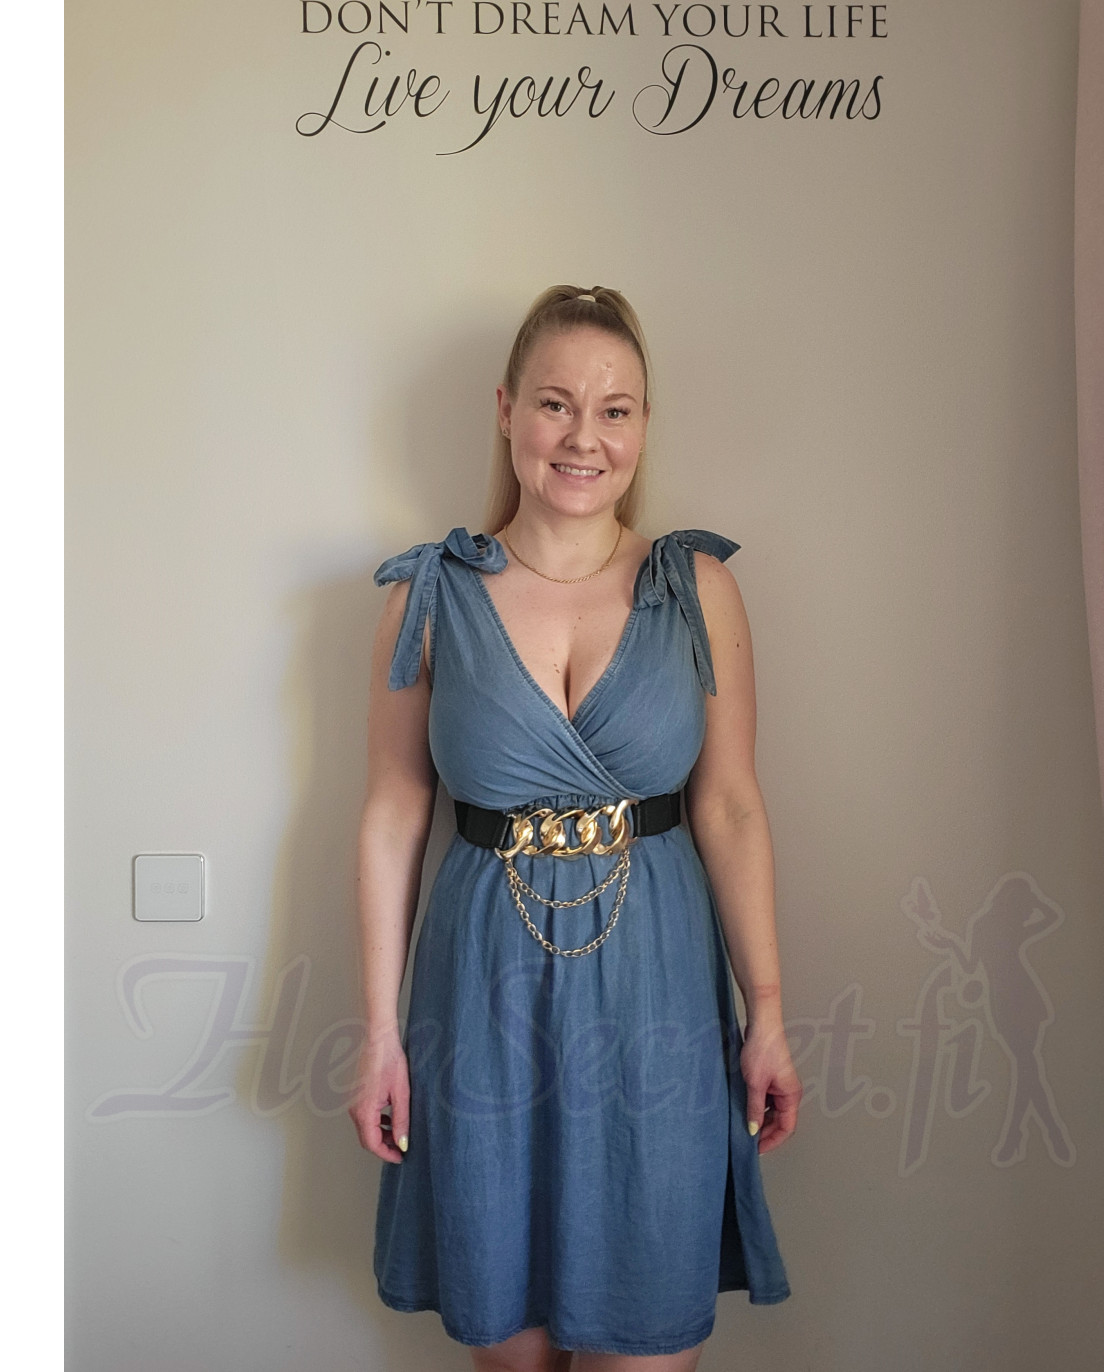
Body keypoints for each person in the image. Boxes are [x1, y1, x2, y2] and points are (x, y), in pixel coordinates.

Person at [350, 285, 800, 1372]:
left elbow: (731, 805)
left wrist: (770, 1012)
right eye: (556, 403)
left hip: (658, 995)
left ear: (643, 427)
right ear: (508, 410)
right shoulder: (427, 597)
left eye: (615, 410)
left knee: (648, 1330)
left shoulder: (698, 590)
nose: (583, 437)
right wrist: (378, 1033)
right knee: (508, 1343)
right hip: (481, 996)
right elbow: (394, 812)